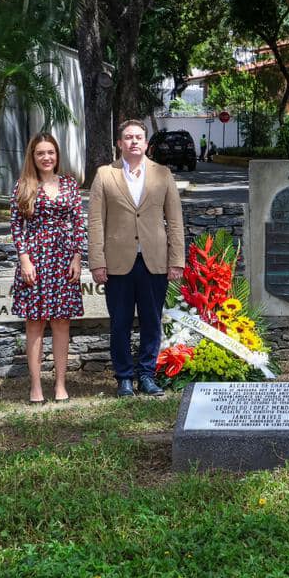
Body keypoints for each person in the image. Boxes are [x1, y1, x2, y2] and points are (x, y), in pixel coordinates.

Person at [88, 119, 185, 397]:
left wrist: (176, 260)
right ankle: (124, 378)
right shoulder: (105, 175)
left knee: (152, 322)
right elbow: (95, 222)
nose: (133, 142)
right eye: (128, 137)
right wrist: (97, 261)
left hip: (154, 261)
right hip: (117, 262)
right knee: (119, 323)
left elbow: (175, 221)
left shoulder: (162, 174)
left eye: (138, 137)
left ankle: (147, 375)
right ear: (120, 143)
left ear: (146, 143)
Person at [10, 132, 84, 404]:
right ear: (33, 156)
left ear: (57, 155)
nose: (46, 157)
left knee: (62, 322)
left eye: (50, 152)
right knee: (35, 323)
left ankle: (61, 385)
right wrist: (24, 259)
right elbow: (16, 226)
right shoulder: (23, 185)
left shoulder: (69, 184)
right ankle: (36, 387)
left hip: (64, 259)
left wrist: (77, 257)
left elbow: (78, 223)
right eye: (40, 153)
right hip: (35, 260)